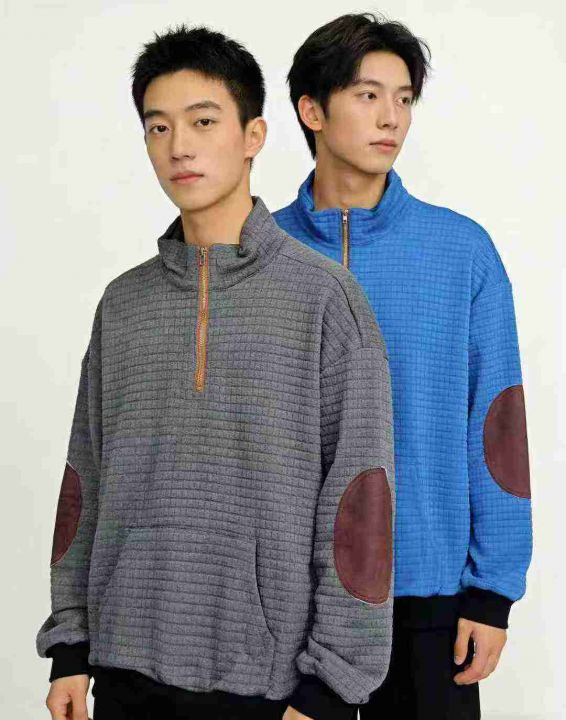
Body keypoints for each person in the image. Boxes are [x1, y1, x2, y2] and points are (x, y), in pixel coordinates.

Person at [36, 22, 396, 720]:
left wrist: (331, 688)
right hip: (124, 670)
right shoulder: (122, 304)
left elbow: (361, 503)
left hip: (272, 687)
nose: (179, 146)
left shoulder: (327, 300)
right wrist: (70, 648)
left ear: (253, 135)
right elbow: (86, 481)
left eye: (203, 121)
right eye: (158, 127)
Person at [273, 12, 533, 720]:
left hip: (427, 601)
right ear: (312, 111)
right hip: (287, 609)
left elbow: (498, 427)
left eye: (404, 98)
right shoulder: (259, 253)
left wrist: (492, 592)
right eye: (368, 95)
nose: (392, 117)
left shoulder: (462, 252)